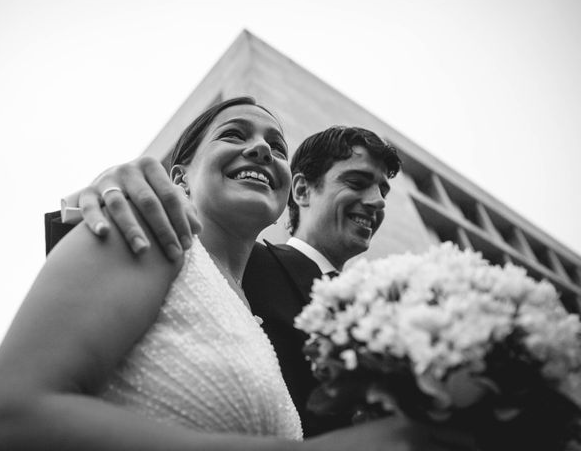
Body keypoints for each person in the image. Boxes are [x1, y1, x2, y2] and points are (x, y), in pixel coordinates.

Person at [0, 97, 451, 451]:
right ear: (176, 178)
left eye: (276, 146)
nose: (261, 150)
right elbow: (3, 425)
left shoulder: (247, 315)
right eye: (235, 135)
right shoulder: (145, 230)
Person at [45, 123, 401, 437]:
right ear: (302, 191)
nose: (376, 202)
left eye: (383, 191)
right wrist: (110, 191)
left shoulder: (385, 313)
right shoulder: (235, 259)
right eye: (357, 182)